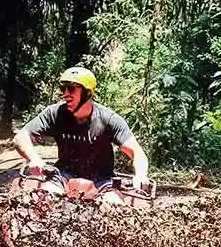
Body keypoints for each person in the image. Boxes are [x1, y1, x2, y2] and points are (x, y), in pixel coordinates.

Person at [13, 66, 149, 195]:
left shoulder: (108, 119)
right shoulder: (55, 114)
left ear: (88, 92)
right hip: (63, 176)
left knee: (111, 206)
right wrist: (34, 159)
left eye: (71, 88)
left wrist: (141, 175)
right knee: (44, 198)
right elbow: (20, 137)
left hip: (102, 181)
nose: (65, 94)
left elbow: (137, 153)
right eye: (63, 88)